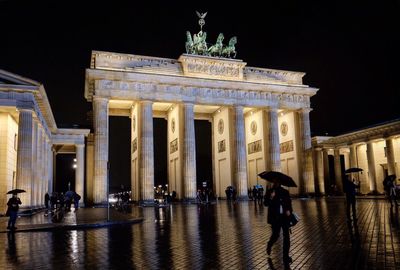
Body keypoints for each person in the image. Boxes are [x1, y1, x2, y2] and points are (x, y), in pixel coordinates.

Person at [264, 180, 293, 269]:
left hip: (284, 217)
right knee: (276, 235)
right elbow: (265, 204)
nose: (275, 183)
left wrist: (289, 210)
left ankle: (285, 256)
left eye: (277, 182)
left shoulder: (285, 192)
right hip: (275, 218)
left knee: (286, 237)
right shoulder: (270, 192)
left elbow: (289, 204)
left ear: (280, 183)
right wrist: (271, 197)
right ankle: (269, 244)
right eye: (274, 182)